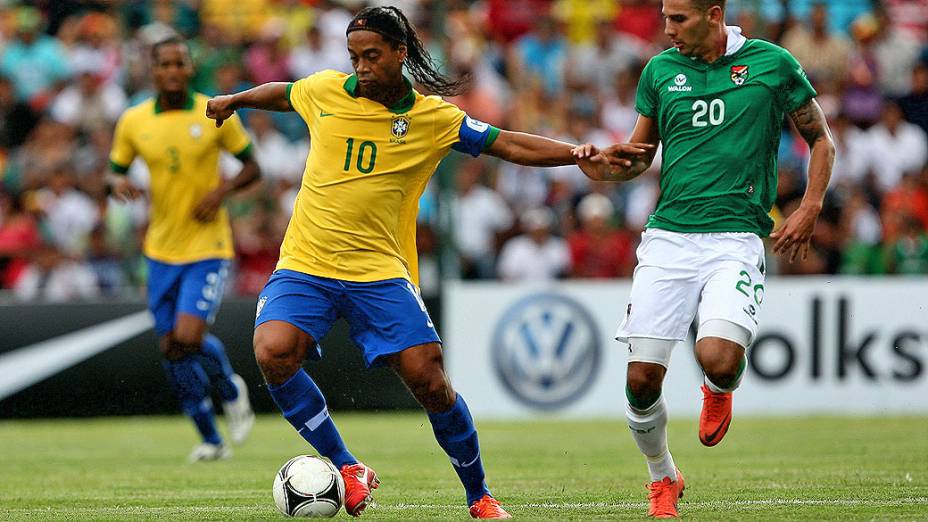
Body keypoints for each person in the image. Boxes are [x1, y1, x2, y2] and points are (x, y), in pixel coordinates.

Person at [205, 6, 644, 519]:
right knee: (273, 351)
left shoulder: (434, 119)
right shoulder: (324, 90)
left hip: (381, 273)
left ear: (401, 53)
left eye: (371, 56)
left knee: (431, 381)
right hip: (308, 263)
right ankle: (347, 467)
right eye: (354, 57)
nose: (361, 67)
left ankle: (479, 495)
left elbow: (508, 144)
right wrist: (235, 99)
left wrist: (576, 154)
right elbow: (281, 92)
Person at [573, 0, 835, 518]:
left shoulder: (772, 64)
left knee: (719, 357)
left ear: (713, 15)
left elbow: (820, 139)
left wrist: (809, 207)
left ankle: (718, 388)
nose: (667, 30)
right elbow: (639, 158)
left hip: (735, 238)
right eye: (665, 18)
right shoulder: (660, 71)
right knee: (641, 380)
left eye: (678, 20)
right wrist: (604, 170)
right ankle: (662, 476)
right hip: (669, 239)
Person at [109, 36, 259, 462]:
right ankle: (211, 440)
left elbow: (253, 167)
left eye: (180, 63)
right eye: (165, 64)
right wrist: (117, 184)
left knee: (187, 337)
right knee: (171, 348)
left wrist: (221, 192)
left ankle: (229, 387)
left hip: (208, 245)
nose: (173, 71)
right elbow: (112, 172)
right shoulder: (134, 121)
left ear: (190, 69)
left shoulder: (214, 111)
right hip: (160, 249)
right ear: (152, 70)